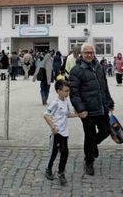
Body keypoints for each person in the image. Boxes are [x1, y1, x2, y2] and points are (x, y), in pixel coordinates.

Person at [69, 43, 114, 176]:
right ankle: (89, 161)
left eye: (91, 52)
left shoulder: (99, 67)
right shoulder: (76, 70)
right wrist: (80, 109)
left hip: (101, 107)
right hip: (87, 110)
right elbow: (74, 93)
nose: (89, 55)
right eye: (86, 52)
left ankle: (93, 145)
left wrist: (109, 101)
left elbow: (104, 86)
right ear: (81, 54)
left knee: (106, 130)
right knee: (89, 136)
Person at [43, 80, 78, 185]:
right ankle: (48, 169)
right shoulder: (55, 103)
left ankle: (61, 172)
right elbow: (46, 115)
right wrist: (53, 127)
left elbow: (67, 114)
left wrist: (77, 115)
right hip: (56, 133)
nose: (68, 93)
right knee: (53, 153)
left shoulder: (66, 102)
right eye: (65, 91)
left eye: (68, 91)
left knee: (65, 152)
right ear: (58, 91)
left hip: (64, 133)